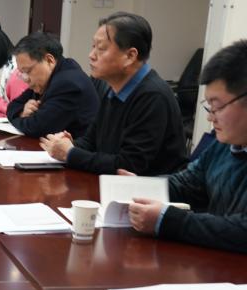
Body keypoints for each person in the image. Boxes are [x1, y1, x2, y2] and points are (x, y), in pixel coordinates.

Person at [128, 41, 247, 253]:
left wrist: (167, 221)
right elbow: (188, 183)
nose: (210, 117)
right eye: (209, 107)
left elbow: (242, 231)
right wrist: (141, 186)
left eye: (217, 106)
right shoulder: (225, 144)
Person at [41, 12, 187, 175]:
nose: (91, 55)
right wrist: (70, 145)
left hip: (146, 188)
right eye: (93, 46)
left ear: (130, 56)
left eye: (101, 48)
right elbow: (91, 141)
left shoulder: (153, 96)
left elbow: (129, 165)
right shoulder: (113, 89)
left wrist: (71, 154)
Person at [5, 32, 100, 137]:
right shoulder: (48, 77)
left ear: (49, 60)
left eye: (27, 71)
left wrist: (19, 118)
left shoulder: (68, 84)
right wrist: (22, 112)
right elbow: (13, 106)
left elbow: (37, 127)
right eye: (22, 73)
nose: (26, 79)